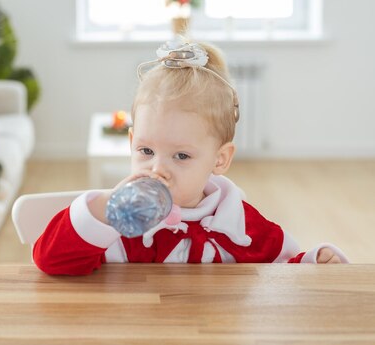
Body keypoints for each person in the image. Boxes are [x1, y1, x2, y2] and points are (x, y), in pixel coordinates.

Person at [33, 38, 348, 275]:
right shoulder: (121, 224)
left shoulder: (242, 226)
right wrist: (103, 209)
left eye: (181, 155)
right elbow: (51, 261)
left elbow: (284, 272)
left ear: (219, 160)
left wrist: (314, 262)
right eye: (145, 150)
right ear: (131, 142)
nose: (158, 169)